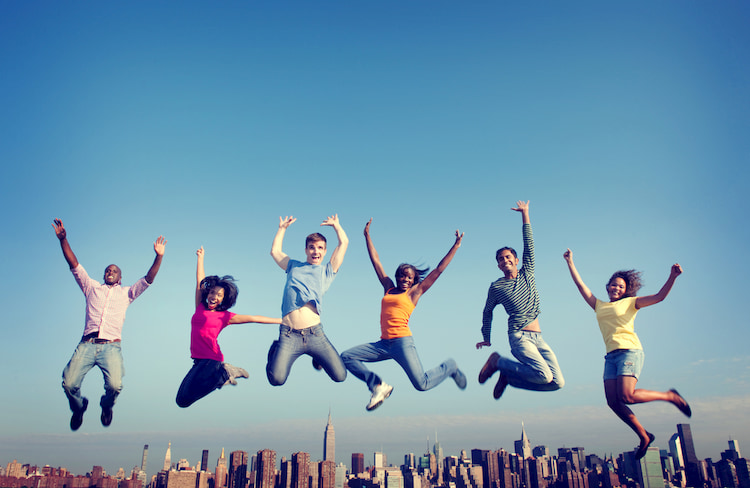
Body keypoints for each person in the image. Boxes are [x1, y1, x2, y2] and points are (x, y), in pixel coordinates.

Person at [563, 248, 691, 459]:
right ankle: (644, 436)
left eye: (621, 286)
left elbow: (659, 297)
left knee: (627, 396)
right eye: (613, 284)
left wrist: (672, 277)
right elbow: (580, 286)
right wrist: (570, 262)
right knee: (613, 402)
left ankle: (670, 396)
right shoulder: (599, 306)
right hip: (610, 357)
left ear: (625, 290)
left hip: (629, 352)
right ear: (608, 286)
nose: (616, 288)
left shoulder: (632, 303)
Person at [341, 219, 467, 411]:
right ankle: (377, 385)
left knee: (421, 384)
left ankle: (450, 366)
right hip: (383, 344)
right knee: (347, 357)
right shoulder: (388, 288)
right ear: (397, 276)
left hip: (402, 343)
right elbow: (376, 261)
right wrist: (367, 236)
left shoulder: (414, 293)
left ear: (414, 279)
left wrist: (456, 246)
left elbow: (438, 270)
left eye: (409, 277)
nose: (405, 279)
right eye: (402, 275)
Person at [53, 218, 166, 430]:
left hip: (111, 347)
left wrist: (158, 257)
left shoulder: (127, 293)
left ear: (120, 277)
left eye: (114, 270)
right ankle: (79, 408)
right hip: (87, 344)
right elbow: (74, 264)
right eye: (107, 270)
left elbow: (149, 279)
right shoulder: (91, 288)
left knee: (115, 385)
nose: (110, 271)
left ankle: (106, 406)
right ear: (104, 275)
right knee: (69, 384)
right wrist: (63, 240)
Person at [477, 201, 564, 400]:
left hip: (538, 338)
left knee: (557, 382)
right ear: (498, 265)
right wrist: (486, 337)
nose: (504, 260)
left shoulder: (528, 272)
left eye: (508, 257)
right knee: (544, 375)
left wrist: (525, 213)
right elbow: (487, 311)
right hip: (519, 337)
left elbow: (529, 243)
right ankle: (498, 362)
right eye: (500, 259)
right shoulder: (497, 287)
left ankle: (509, 379)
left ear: (516, 260)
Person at [176, 247, 281, 408]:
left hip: (211, 360)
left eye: (219, 295)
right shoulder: (200, 307)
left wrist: (281, 321)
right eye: (212, 293)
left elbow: (253, 318)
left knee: (183, 401)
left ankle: (225, 373)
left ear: (223, 300)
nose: (214, 297)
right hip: (197, 361)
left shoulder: (224, 316)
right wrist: (200, 258)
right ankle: (222, 376)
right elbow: (199, 281)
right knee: (181, 400)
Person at [266, 214, 349, 386]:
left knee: (340, 376)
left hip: (315, 334)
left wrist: (336, 226)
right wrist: (282, 229)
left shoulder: (327, 271)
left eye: (320, 248)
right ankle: (275, 350)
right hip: (289, 334)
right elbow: (275, 252)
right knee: (277, 379)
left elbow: (344, 244)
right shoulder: (293, 266)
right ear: (306, 250)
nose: (315, 251)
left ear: (325, 251)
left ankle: (317, 356)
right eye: (311, 247)